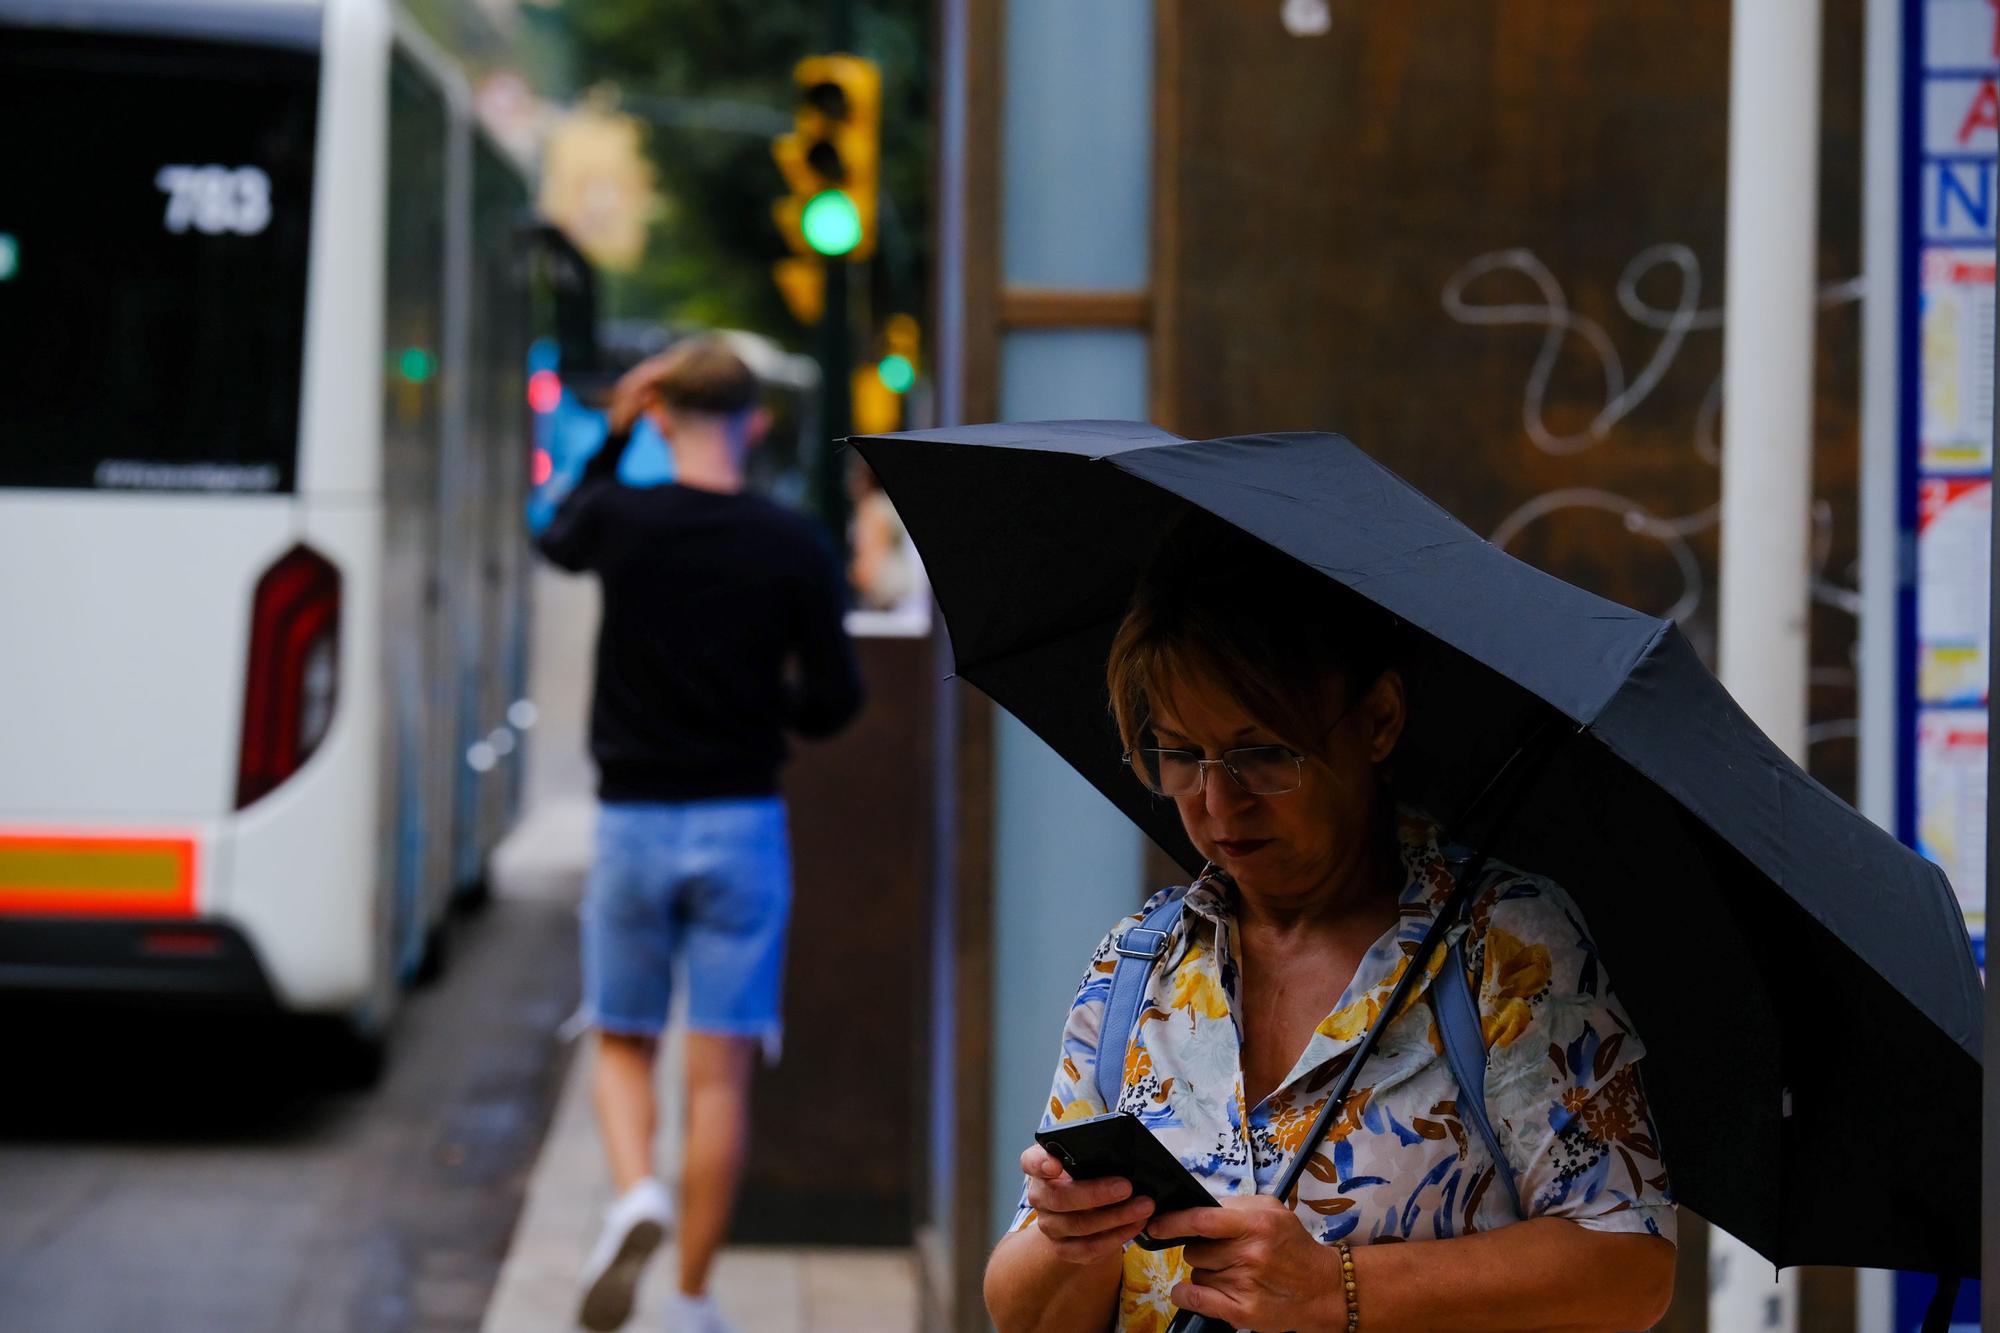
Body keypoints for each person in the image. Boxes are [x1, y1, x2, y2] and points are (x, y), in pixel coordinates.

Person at [983, 518, 1675, 1333]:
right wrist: (1074, 1237)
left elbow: (1630, 1264)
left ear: (1377, 718)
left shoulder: (1500, 949)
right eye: (1179, 754)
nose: (1216, 801)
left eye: (1262, 754)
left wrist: (1335, 1287)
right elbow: (1025, 1314)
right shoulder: (1139, 963)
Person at [537, 336, 864, 1333]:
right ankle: (687, 1301)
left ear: (663, 416)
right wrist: (773, 719)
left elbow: (552, 535)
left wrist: (609, 434)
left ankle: (635, 1191)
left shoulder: (623, 521)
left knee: (623, 1037)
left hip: (633, 820)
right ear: (755, 423)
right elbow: (836, 697)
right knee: (717, 1074)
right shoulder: (790, 541)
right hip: (740, 822)